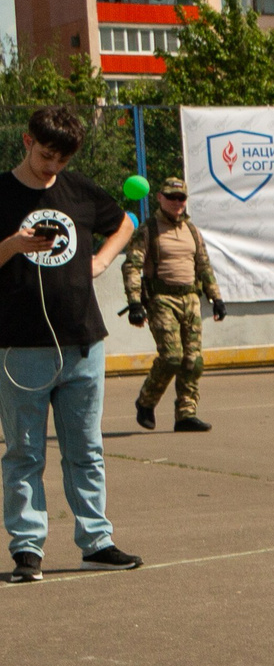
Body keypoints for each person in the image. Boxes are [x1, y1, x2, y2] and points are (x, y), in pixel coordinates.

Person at [0, 104, 140, 582]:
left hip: (83, 341)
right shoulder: (1, 192)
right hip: (21, 347)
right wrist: (12, 246)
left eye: (61, 159)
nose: (51, 167)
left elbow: (126, 222)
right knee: (24, 451)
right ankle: (26, 549)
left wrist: (101, 261)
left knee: (86, 449)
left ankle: (96, 542)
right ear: (26, 141)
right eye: (45, 155)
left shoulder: (77, 190)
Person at [121, 174, 224, 431]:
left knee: (193, 360)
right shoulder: (148, 230)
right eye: (171, 197)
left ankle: (186, 413)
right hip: (161, 300)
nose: (177, 202)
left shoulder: (191, 230)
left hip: (190, 298)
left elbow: (204, 265)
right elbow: (132, 266)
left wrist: (216, 297)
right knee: (171, 357)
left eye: (181, 198)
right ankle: (146, 401)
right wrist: (135, 303)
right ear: (160, 198)